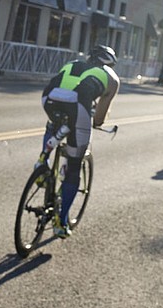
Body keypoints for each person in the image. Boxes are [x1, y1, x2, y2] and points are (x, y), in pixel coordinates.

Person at [40, 44, 120, 238]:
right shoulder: (112, 79)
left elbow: (62, 87)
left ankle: (42, 165)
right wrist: (96, 122)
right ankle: (61, 220)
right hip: (78, 109)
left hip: (48, 99)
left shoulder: (72, 64)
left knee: (54, 124)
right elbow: (99, 117)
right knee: (74, 167)